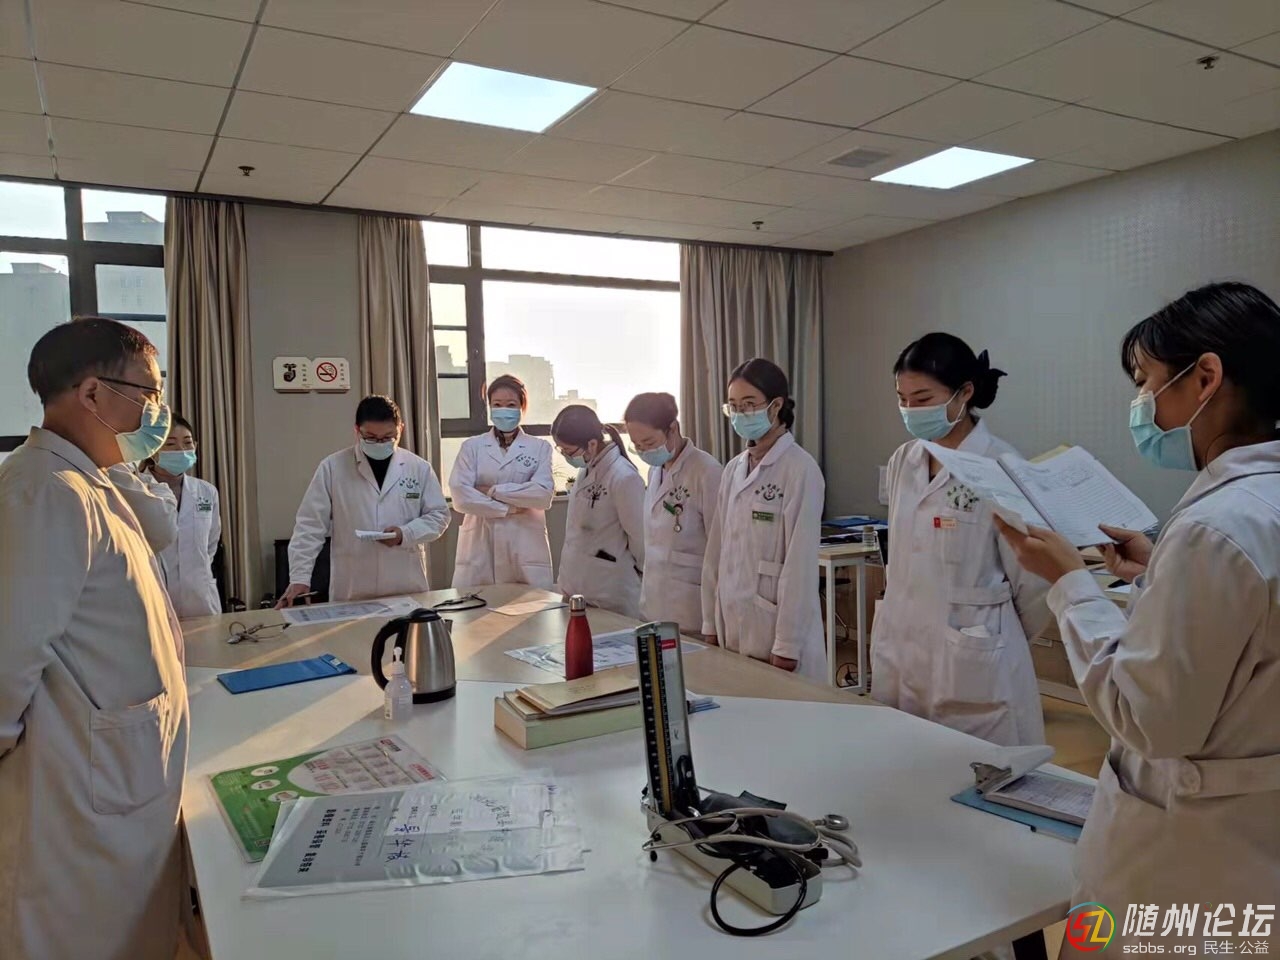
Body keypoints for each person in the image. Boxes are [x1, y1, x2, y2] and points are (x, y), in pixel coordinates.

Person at [995, 282, 1280, 951]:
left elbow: (1150, 717)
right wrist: (1156, 573)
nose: (1143, 404)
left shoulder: (1216, 527)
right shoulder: (1251, 509)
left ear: (1205, 377)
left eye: (1147, 382)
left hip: (1184, 854)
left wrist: (1070, 583)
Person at [0, 317, 188, 960]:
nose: (156, 411)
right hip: (75, 790)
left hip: (115, 776)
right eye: (148, 393)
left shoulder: (90, 479)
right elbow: (7, 658)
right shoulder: (43, 490)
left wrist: (123, 460)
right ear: (91, 394)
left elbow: (160, 528)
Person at [872, 333, 1048, 746]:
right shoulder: (904, 461)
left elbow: (1035, 581)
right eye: (902, 399)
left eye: (923, 398)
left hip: (976, 661)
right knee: (906, 759)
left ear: (964, 393)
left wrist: (995, 634)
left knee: (978, 766)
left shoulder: (1001, 465)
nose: (911, 410)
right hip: (903, 646)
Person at [702, 359, 826, 681]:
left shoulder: (800, 469)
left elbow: (799, 565)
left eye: (749, 404)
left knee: (782, 707)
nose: (741, 414)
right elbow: (716, 551)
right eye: (733, 406)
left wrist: (786, 645)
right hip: (731, 620)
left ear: (776, 406)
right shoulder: (733, 470)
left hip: (775, 627)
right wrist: (710, 622)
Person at [278, 395, 450, 605]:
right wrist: (299, 578)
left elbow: (439, 516)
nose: (379, 443)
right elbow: (310, 526)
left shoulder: (418, 468)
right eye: (370, 437)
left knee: (407, 624)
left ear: (401, 429)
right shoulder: (333, 468)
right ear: (357, 431)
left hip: (405, 583)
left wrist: (405, 534)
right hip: (353, 586)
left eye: (388, 437)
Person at [624, 392, 722, 636]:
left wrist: (713, 622)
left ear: (673, 429)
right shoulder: (654, 472)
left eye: (649, 442)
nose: (644, 451)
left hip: (692, 611)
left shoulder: (707, 471)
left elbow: (720, 550)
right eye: (637, 446)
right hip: (653, 604)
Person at [449, 375, 555, 589]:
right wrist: (510, 508)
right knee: (477, 606)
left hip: (524, 547)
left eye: (511, 404)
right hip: (480, 546)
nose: (503, 410)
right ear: (489, 407)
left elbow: (542, 495)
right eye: (497, 405)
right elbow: (461, 497)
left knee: (528, 605)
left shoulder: (540, 448)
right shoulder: (472, 447)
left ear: (522, 407)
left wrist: (492, 491)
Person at [553, 404, 646, 619]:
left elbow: (640, 539)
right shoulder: (586, 469)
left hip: (610, 592)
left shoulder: (624, 477)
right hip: (576, 587)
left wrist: (639, 572)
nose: (566, 456)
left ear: (592, 444)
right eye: (561, 450)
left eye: (569, 451)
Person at [143, 413, 222, 618]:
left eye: (187, 443)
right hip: (153, 596)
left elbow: (211, 544)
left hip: (201, 599)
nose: (181, 450)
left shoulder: (206, 491)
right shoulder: (138, 490)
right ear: (153, 449)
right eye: (170, 444)